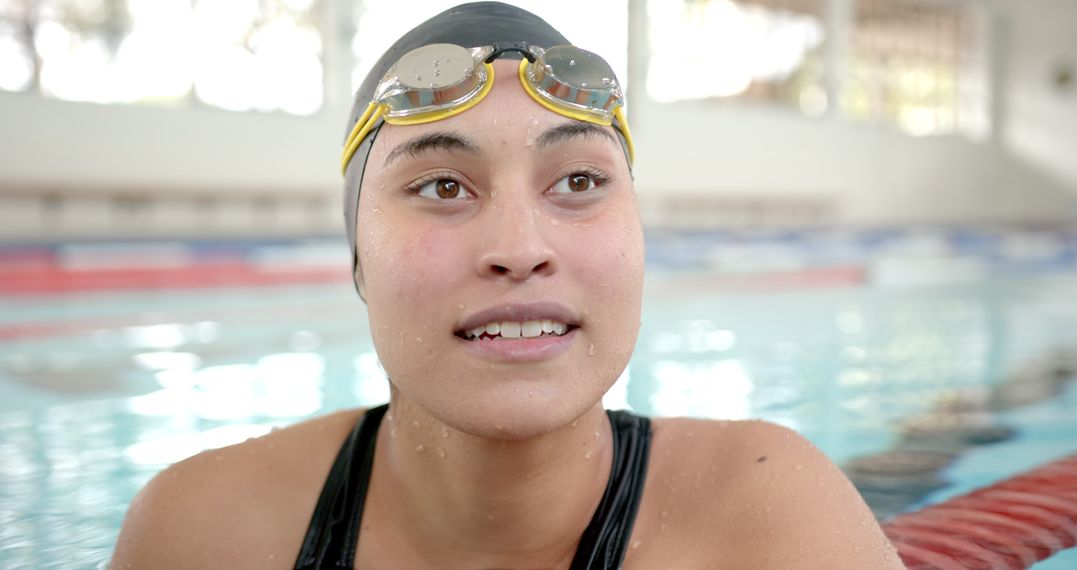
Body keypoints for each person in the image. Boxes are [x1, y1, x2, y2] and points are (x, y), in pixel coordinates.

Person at [110, 3, 905, 568]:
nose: (519, 249)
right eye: (443, 188)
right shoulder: (202, 534)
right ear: (359, 256)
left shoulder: (770, 522)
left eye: (580, 181)